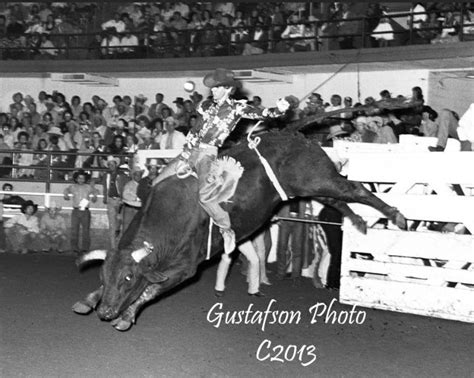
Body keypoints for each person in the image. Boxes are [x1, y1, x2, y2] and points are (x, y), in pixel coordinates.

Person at [156, 68, 289, 255]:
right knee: (158, 182)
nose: (213, 91)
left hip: (208, 154)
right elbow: (195, 131)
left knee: (205, 196)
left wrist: (279, 110)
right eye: (213, 88)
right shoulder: (206, 106)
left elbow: (263, 113)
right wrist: (186, 155)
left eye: (217, 88)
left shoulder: (237, 107)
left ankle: (226, 228)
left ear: (227, 89)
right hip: (192, 151)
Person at [64, 170, 98, 254]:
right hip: (76, 210)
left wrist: (94, 196)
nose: (81, 180)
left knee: (86, 230)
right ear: (76, 178)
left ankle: (85, 248)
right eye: (79, 178)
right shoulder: (72, 187)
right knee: (74, 230)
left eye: (83, 178)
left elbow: (95, 191)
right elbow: (66, 190)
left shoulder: (88, 187)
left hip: (85, 211)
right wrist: (66, 194)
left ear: (85, 179)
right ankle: (74, 247)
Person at [102, 156, 128, 250]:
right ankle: (113, 248)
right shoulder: (106, 175)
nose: (111, 166)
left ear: (116, 165)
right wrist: (105, 196)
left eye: (112, 164)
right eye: (109, 164)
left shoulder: (123, 175)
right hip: (110, 200)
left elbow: (125, 188)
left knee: (120, 223)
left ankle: (120, 245)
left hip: (120, 200)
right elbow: (105, 187)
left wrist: (123, 199)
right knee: (112, 225)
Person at [121, 165, 143, 235]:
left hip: (138, 209)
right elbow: (125, 195)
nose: (138, 177)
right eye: (137, 175)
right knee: (126, 229)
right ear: (133, 176)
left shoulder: (143, 185)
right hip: (129, 209)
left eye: (140, 175)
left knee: (137, 229)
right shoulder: (129, 184)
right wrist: (136, 198)